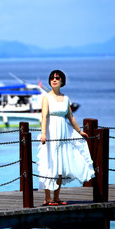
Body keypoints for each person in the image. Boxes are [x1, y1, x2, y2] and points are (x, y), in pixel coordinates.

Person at [38, 70, 94, 206]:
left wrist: (79, 131)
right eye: (52, 78)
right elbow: (44, 116)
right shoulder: (46, 97)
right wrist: (43, 133)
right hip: (51, 134)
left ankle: (56, 197)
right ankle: (47, 198)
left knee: (60, 166)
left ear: (62, 81)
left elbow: (71, 117)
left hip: (63, 134)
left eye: (57, 78)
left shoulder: (65, 98)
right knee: (49, 164)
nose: (54, 80)